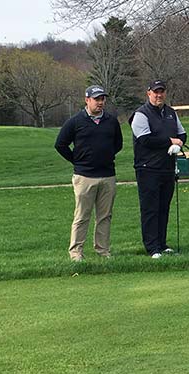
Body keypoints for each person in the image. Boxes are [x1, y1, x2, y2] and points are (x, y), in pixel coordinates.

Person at [54, 85, 123, 261]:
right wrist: (77, 160)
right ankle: (76, 252)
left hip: (107, 175)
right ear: (87, 100)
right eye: (96, 99)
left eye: (102, 99)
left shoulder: (111, 121)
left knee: (105, 216)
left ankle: (103, 250)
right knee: (82, 216)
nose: (100, 102)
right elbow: (60, 144)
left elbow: (118, 144)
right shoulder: (76, 121)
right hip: (84, 177)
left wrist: (105, 156)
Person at [131, 79, 187, 259]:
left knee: (164, 207)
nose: (158, 95)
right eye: (155, 92)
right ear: (148, 93)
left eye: (161, 91)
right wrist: (170, 141)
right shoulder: (141, 114)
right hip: (148, 169)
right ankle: (152, 247)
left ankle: (162, 244)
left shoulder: (170, 113)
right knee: (150, 209)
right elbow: (145, 140)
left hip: (167, 168)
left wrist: (179, 144)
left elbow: (182, 134)